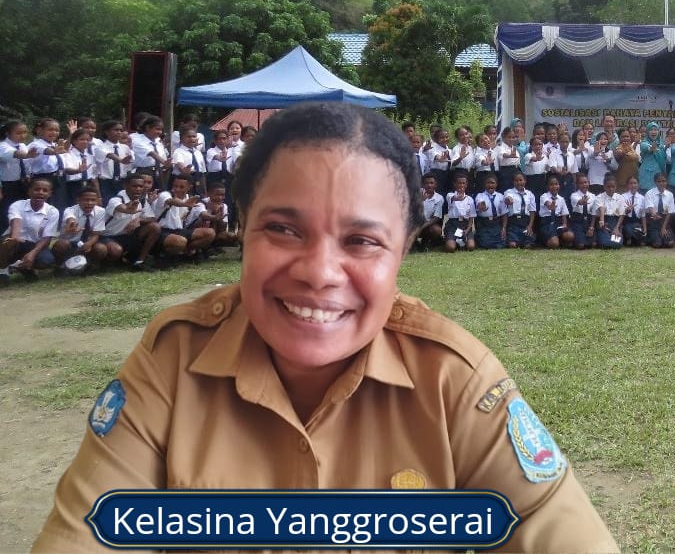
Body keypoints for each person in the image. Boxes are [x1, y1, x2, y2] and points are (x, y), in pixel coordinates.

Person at [33, 102, 617, 552]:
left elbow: (554, 526)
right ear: (242, 226)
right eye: (283, 229)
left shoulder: (453, 381)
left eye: (362, 241)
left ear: (405, 250)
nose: (318, 273)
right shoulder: (172, 363)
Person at [0, 175, 60, 282]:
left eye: (45, 190)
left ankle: (23, 268)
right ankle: (3, 270)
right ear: (29, 191)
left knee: (46, 260)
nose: (40, 192)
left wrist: (33, 253)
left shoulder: (53, 211)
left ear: (50, 194)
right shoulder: (17, 205)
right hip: (16, 241)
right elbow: (16, 221)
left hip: (34, 244)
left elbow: (47, 237)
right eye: (37, 189)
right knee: (6, 243)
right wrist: (14, 238)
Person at [504, 172, 537, 249]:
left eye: (521, 180)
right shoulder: (509, 192)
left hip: (525, 222)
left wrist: (530, 226)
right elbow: (507, 198)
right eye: (516, 181)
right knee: (512, 245)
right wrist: (509, 200)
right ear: (513, 182)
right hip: (513, 222)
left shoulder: (530, 194)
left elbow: (532, 211)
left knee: (528, 245)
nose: (519, 182)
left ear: (525, 181)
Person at [644, 172, 675, 249]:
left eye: (663, 181)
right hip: (653, 221)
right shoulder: (649, 193)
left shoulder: (670, 195)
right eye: (659, 181)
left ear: (666, 182)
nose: (661, 183)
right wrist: (654, 215)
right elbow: (650, 208)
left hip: (664, 221)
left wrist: (663, 227)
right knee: (657, 244)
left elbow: (669, 213)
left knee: (670, 243)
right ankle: (651, 238)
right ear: (655, 182)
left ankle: (663, 237)